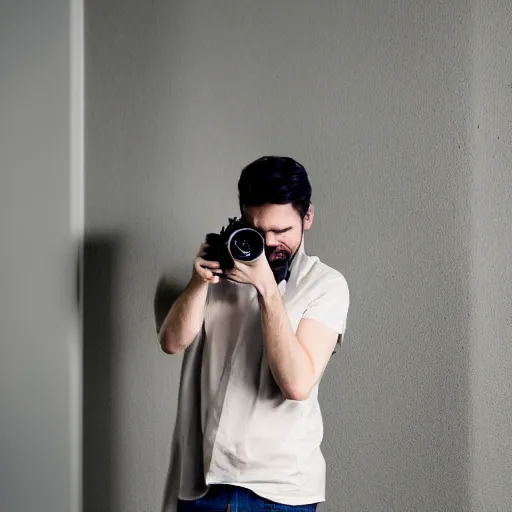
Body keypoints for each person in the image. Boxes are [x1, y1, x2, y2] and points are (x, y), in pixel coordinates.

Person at [159, 156, 350, 512]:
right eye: (258, 230)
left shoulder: (325, 285)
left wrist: (266, 287)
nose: (269, 242)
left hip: (280, 493)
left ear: (307, 217)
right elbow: (172, 342)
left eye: (282, 231)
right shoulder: (225, 268)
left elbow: (296, 384)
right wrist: (200, 281)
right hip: (206, 485)